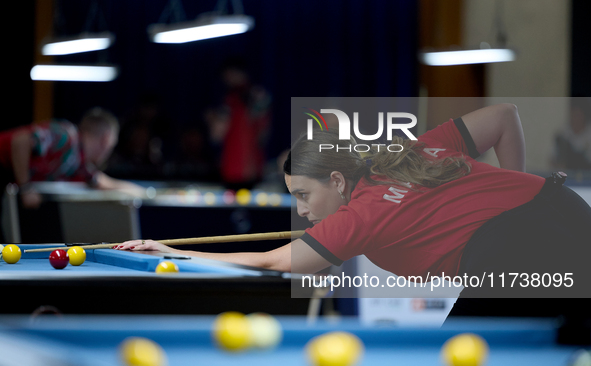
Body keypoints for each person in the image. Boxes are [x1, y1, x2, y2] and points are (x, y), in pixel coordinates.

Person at [115, 104, 591, 317]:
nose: (301, 210)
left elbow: (275, 261)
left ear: (338, 181)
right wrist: (517, 187)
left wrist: (170, 251)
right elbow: (505, 115)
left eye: (304, 195)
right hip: (565, 210)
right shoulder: (410, 153)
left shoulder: (359, 215)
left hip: (511, 253)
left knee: (465, 361)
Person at [0, 107, 143, 241]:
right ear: (106, 139)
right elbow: (20, 140)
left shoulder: (80, 164)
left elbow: (105, 183)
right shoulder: (65, 135)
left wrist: (146, 193)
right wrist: (26, 187)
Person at [205, 56, 271, 190]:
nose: (227, 79)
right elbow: (216, 136)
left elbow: (263, 134)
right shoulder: (228, 100)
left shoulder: (257, 96)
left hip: (250, 171)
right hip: (232, 171)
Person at [552, 97, 591, 170]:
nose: (576, 119)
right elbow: (552, 160)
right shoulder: (562, 135)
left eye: (579, 115)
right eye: (574, 115)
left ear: (584, 116)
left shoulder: (589, 135)